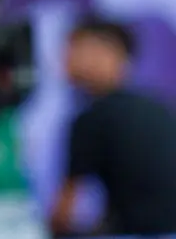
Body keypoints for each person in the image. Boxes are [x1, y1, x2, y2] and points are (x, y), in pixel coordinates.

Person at [51, 18, 176, 236]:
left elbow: (63, 214)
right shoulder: (159, 107)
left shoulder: (91, 119)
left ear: (110, 54)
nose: (66, 59)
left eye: (75, 48)